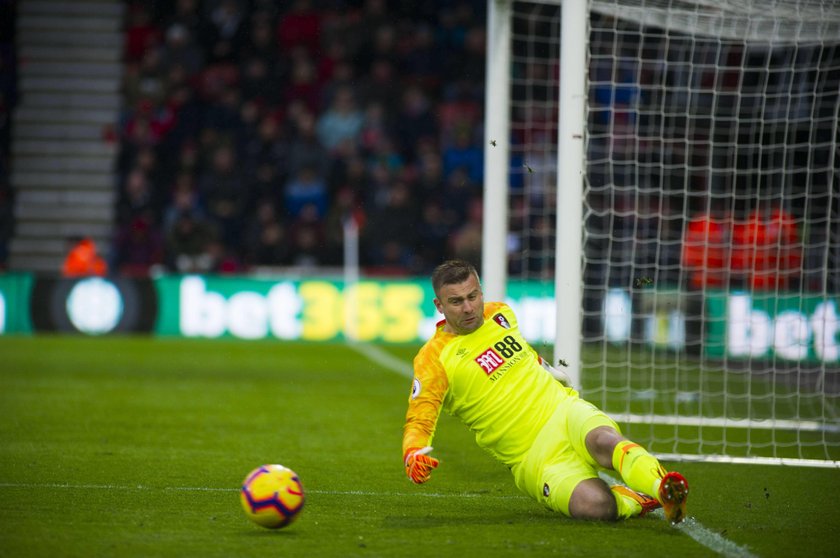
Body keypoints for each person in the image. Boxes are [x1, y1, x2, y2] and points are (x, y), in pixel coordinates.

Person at [402, 260, 689, 523]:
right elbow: (420, 416)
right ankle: (636, 500)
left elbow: (524, 351)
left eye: (473, 296)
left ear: (480, 292)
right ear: (439, 305)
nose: (468, 307)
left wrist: (548, 369)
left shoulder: (500, 314)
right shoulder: (433, 359)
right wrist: (413, 453)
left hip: (562, 412)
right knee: (596, 506)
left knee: (604, 441)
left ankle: (662, 487)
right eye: (456, 301)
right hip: (532, 458)